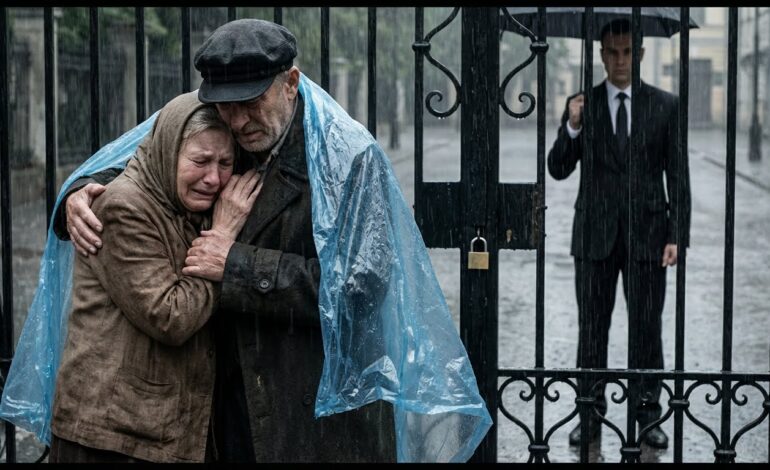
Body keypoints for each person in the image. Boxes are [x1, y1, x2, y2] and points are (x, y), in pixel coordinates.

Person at [51, 19, 494, 463]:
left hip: (317, 418)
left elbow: (361, 290)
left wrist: (238, 265)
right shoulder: (232, 135)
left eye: (251, 102)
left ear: (291, 83)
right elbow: (157, 157)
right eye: (226, 107)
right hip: (232, 411)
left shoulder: (348, 159)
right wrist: (82, 190)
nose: (239, 121)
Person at [48, 93, 260, 462]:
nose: (214, 178)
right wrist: (222, 243)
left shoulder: (194, 202)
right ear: (167, 151)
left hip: (155, 433)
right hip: (110, 438)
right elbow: (171, 316)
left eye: (225, 163)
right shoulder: (121, 207)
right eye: (200, 161)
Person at [547, 18, 691, 449]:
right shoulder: (583, 105)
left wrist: (676, 235)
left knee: (647, 329)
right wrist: (571, 126)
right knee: (592, 330)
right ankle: (589, 415)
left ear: (641, 54)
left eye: (628, 52)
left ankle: (649, 417)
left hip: (649, 235)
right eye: (613, 52)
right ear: (601, 54)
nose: (620, 60)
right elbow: (557, 168)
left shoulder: (665, 106)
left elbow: (677, 177)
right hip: (594, 237)